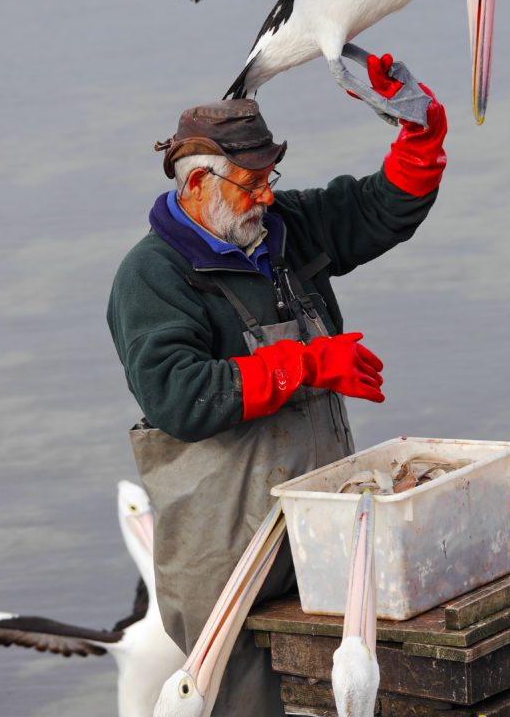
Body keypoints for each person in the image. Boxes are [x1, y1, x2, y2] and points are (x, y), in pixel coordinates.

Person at [107, 54, 447, 716]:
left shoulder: (280, 232)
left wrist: (421, 132)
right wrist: (309, 364)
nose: (266, 196)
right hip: (223, 557)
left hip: (321, 534)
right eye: (250, 184)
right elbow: (179, 396)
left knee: (352, 695)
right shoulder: (152, 277)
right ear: (199, 183)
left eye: (270, 178)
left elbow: (378, 210)